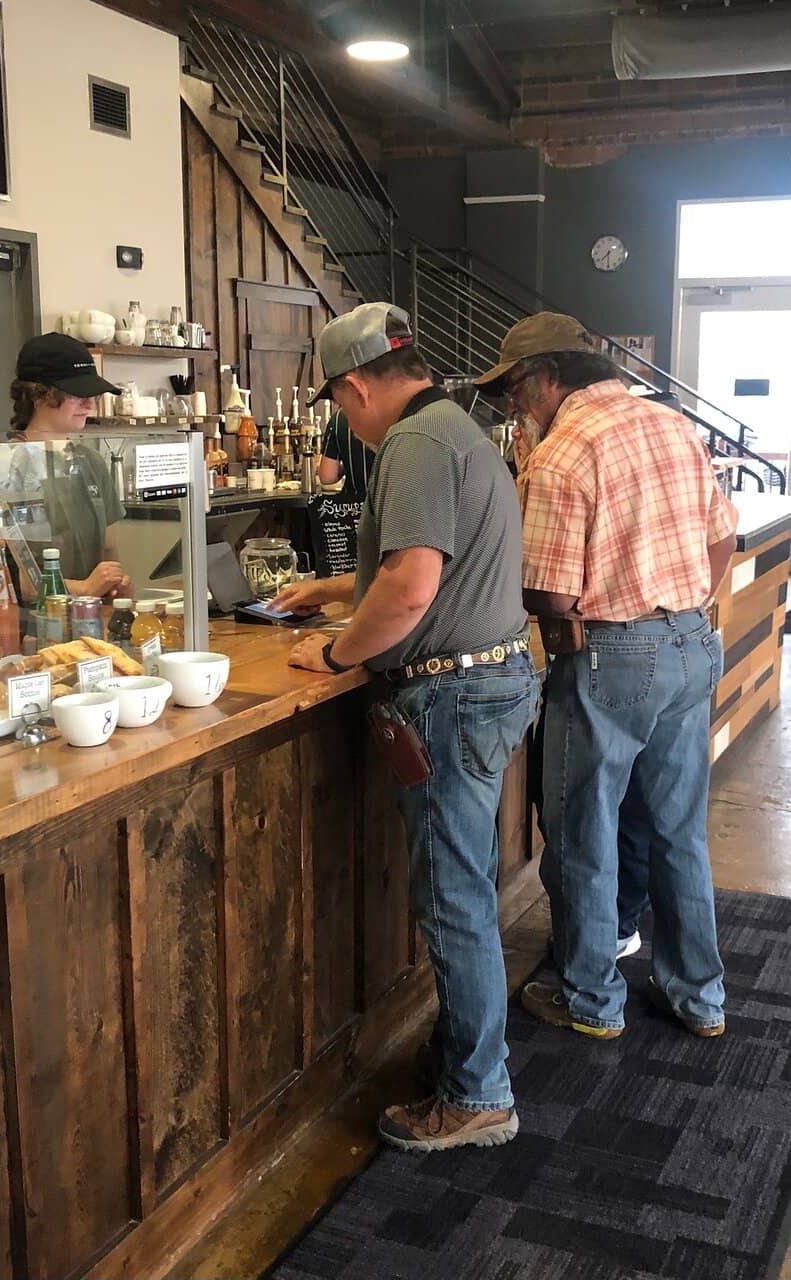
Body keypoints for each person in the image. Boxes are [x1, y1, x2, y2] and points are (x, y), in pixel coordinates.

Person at [272, 302, 539, 1152]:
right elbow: (419, 567)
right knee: (462, 889)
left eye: (340, 406)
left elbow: (414, 587)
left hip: (452, 696)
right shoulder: (458, 427)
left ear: (354, 386)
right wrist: (336, 590)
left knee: (453, 900)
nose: (346, 423)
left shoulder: (413, 446)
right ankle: (468, 1058)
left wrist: (339, 655)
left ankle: (476, 1094)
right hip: (490, 681)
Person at [474, 312, 738, 1041]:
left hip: (611, 655)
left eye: (514, 392)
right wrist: (683, 602)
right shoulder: (673, 425)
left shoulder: (562, 454)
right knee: (678, 830)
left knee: (583, 832)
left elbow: (550, 596)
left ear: (546, 379)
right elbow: (723, 536)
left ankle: (591, 1001)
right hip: (690, 639)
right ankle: (699, 997)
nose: (512, 409)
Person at [7, 332, 132, 599]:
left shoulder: (91, 462)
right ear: (39, 395)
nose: (89, 403)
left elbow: (109, 553)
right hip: (34, 626)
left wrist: (119, 586)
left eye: (92, 394)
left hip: (93, 616)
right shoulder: (10, 465)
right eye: (77, 393)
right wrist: (85, 588)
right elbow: (19, 583)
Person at [318, 407, 374, 496]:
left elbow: (327, 476)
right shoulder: (396, 412)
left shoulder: (338, 419)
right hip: (393, 505)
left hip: (353, 505)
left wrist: (349, 465)